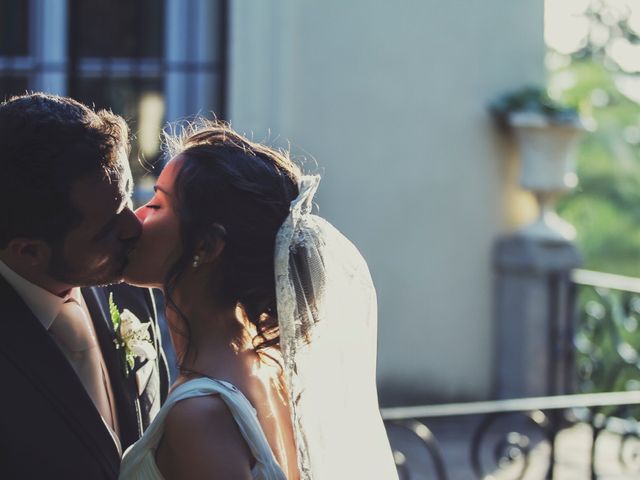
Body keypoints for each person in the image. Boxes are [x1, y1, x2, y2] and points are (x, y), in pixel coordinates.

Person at [119, 121, 399, 479]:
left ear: (205, 247)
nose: (137, 216)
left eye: (157, 204)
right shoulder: (272, 369)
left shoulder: (201, 415)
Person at [0, 93, 169, 479]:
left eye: (129, 198)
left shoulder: (129, 285)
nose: (134, 228)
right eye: (108, 228)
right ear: (28, 251)